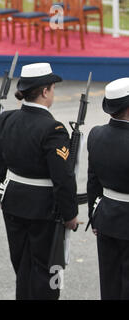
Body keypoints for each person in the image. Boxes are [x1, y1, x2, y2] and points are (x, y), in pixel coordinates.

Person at [0, 62, 79, 300]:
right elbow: (63, 178)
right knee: (48, 272)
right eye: (52, 89)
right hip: (44, 208)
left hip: (13, 201)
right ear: (44, 91)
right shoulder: (53, 128)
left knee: (22, 266)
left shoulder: (8, 118)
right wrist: (70, 213)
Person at [87, 77, 129, 299]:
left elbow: (92, 180)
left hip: (106, 216)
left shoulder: (96, 134)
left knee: (110, 283)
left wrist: (94, 217)